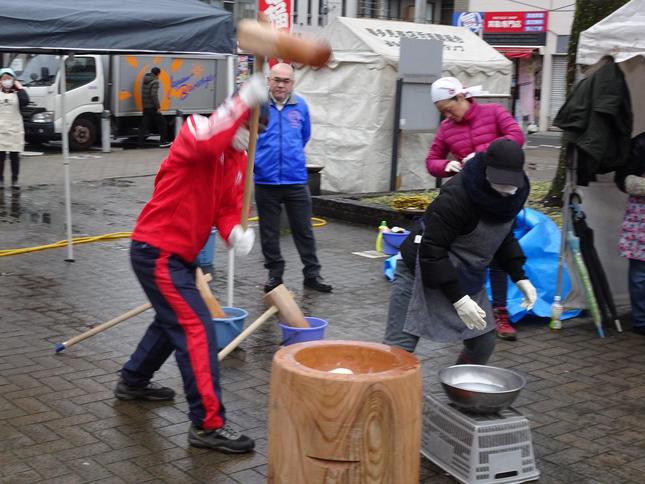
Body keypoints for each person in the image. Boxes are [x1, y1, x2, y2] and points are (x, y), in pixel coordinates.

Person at [114, 74, 268, 454]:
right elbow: (209, 139)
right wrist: (241, 102)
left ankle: (133, 380)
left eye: (258, 132)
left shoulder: (238, 160)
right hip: (158, 250)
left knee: (172, 323)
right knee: (196, 328)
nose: (251, 136)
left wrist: (235, 233)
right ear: (237, 116)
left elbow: (228, 210)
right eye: (250, 126)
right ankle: (207, 425)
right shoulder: (198, 130)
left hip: (179, 255)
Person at [383, 139, 537, 363]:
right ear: (487, 172)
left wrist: (519, 276)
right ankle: (382, 396)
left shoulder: (513, 198)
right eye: (500, 183)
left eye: (510, 185)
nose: (506, 192)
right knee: (399, 351)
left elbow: (504, 238)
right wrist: (459, 299)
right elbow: (432, 251)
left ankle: (460, 392)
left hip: (466, 275)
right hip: (420, 272)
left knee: (482, 342)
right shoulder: (456, 196)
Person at [427, 76, 526, 341]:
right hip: (467, 201)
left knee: (499, 253)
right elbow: (432, 160)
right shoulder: (446, 128)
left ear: (461, 97)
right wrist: (445, 166)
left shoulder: (493, 112)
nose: (448, 116)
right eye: (443, 113)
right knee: (467, 256)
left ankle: (500, 310)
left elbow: (515, 136)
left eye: (449, 108)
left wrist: (482, 155)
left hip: (499, 196)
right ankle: (466, 304)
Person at [254, 63, 332, 293]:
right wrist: (259, 160)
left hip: (295, 179)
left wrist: (290, 156)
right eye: (276, 79)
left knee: (304, 230)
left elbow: (304, 136)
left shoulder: (301, 106)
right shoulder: (258, 107)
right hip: (265, 180)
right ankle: (275, 275)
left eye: (285, 81)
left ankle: (312, 274)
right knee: (269, 232)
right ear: (269, 80)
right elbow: (247, 136)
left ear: (292, 83)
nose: (280, 85)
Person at [616, 132, 645, 336]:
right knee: (640, 271)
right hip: (641, 215)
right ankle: (641, 320)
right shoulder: (641, 142)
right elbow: (622, 178)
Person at [0, 68, 29, 190]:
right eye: (4, 78)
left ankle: (15, 179)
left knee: (14, 156)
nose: (7, 81)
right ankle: (0, 179)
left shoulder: (19, 94)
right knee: (0, 157)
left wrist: (20, 88)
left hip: (15, 129)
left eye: (9, 78)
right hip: (1, 130)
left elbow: (26, 101)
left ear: (13, 80)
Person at [139, 67, 171, 148]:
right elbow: (154, 95)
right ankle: (162, 142)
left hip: (145, 107)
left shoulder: (145, 80)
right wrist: (158, 107)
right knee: (163, 123)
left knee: (144, 125)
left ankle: (140, 144)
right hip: (152, 107)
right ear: (157, 73)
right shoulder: (155, 81)